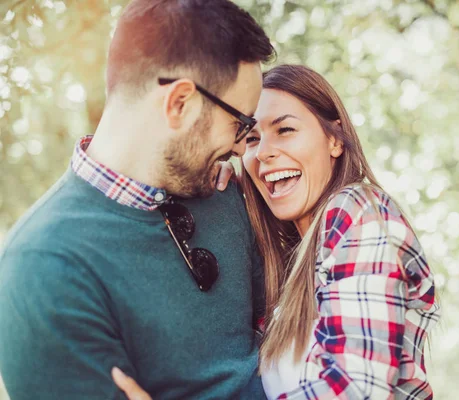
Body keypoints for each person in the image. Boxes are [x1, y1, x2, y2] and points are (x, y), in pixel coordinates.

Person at [113, 64, 441, 399]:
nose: (264, 152)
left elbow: (356, 390)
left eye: (285, 130)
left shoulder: (358, 209)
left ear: (334, 140)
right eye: (252, 138)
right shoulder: (289, 264)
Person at [0, 0, 275, 399]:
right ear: (179, 103)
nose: (240, 148)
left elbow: (291, 334)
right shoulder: (43, 268)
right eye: (240, 124)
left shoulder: (222, 192)